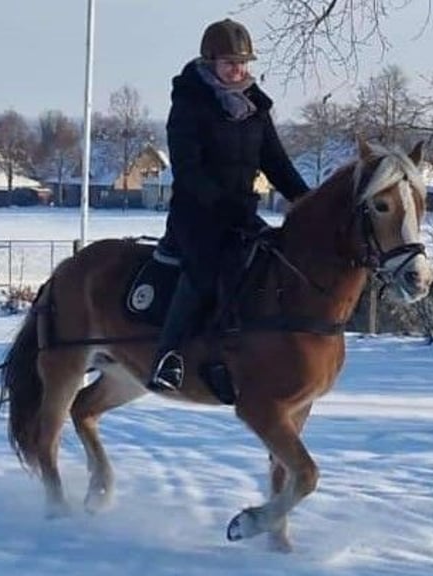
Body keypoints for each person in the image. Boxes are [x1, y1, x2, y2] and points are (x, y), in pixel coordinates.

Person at [150, 18, 310, 393]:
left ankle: (244, 352)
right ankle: (168, 356)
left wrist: (306, 201)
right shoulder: (190, 103)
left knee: (264, 268)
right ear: (210, 63)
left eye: (243, 63)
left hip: (241, 212)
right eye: (229, 63)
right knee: (206, 269)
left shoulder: (255, 106)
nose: (238, 70)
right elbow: (188, 170)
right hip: (197, 215)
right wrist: (221, 206)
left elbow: (276, 162)